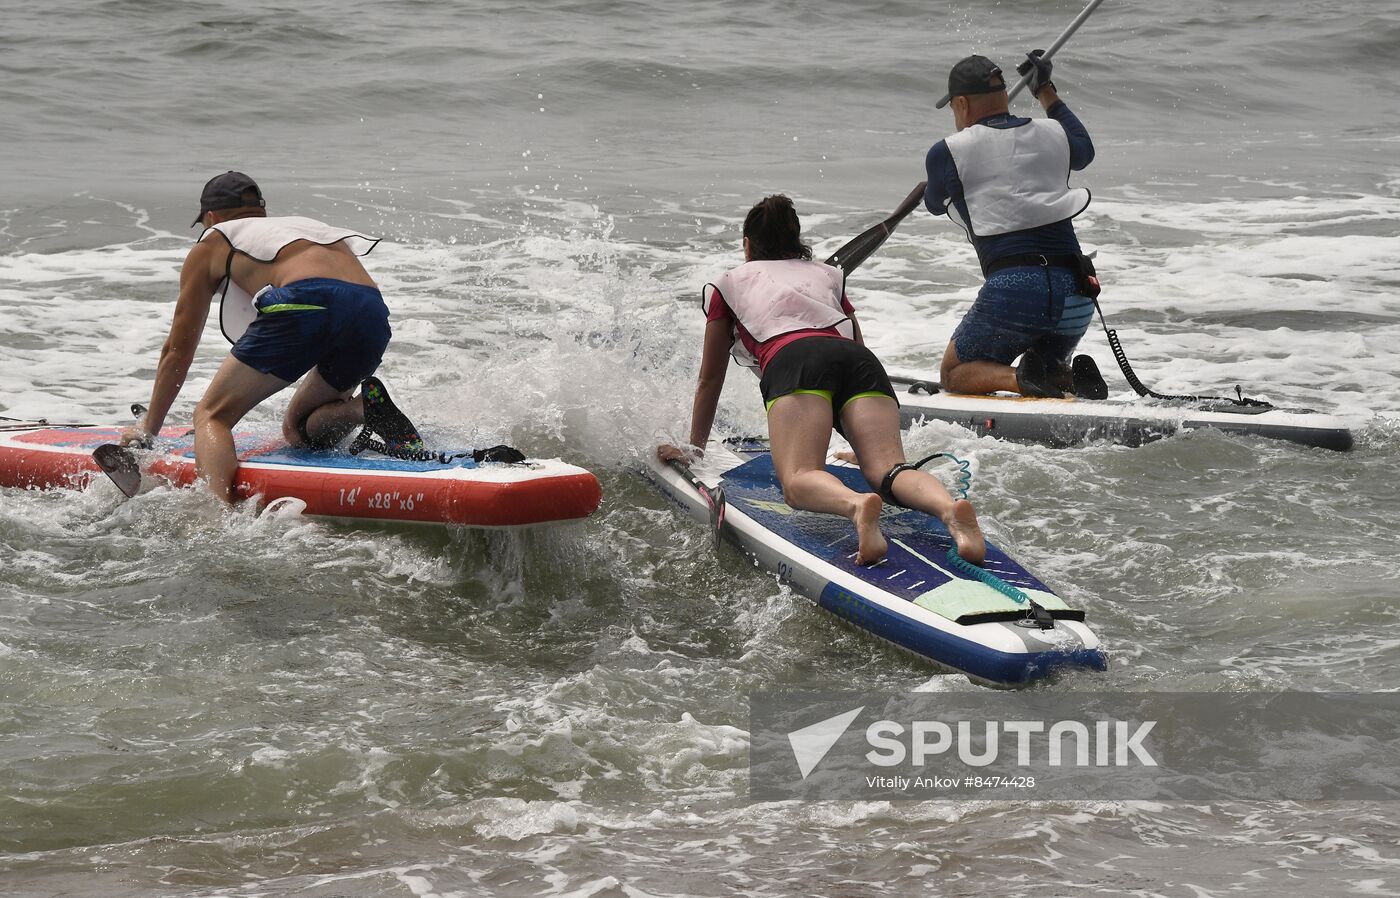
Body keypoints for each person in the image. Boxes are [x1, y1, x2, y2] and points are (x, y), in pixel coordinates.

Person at [658, 195, 985, 567]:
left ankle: (857, 506)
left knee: (798, 481)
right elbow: (853, 344)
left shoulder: (727, 284)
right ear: (796, 242)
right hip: (860, 363)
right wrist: (860, 446)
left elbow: (710, 378)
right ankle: (949, 510)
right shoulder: (825, 274)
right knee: (889, 471)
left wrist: (695, 449)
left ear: (747, 244)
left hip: (795, 360)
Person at [121, 171, 421, 503]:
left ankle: (216, 519)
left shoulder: (213, 240)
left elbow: (177, 350)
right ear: (259, 211)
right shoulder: (297, 227)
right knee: (299, 431)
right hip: (371, 311)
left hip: (308, 299)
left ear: (210, 217)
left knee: (212, 416)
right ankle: (361, 409)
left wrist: (149, 427)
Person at [925, 52, 1107, 399]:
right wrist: (1046, 92)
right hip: (1078, 291)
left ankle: (1017, 379)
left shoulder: (947, 151)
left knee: (954, 373)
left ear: (961, 103)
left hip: (1015, 290)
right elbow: (1083, 151)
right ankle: (1066, 377)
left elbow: (935, 203)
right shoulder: (1053, 132)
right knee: (1045, 364)